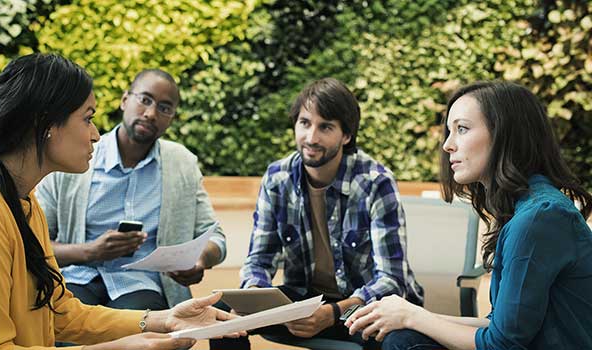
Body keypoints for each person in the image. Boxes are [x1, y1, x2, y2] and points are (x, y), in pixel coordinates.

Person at [0, 53, 239, 349]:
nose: (97, 134)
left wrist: (162, 319)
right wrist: (120, 346)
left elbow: (58, 310)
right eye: (87, 118)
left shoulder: (22, 203)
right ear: (46, 124)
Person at [345, 81, 592, 350]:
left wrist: (412, 315)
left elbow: (502, 344)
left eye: (462, 129)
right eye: (449, 132)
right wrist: (406, 316)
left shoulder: (539, 218)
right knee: (395, 333)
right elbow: (500, 326)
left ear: (505, 134)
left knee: (403, 342)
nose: (448, 145)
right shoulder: (526, 208)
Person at [211, 77, 424, 349]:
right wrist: (254, 298)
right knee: (220, 314)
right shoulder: (278, 178)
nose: (311, 138)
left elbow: (392, 281)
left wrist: (333, 313)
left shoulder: (375, 182)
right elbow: (259, 260)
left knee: (395, 339)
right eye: (305, 123)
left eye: (325, 127)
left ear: (346, 135)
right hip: (303, 302)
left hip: (360, 307)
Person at [35, 68, 226, 312]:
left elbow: (215, 238)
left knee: (141, 325)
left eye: (164, 108)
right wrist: (89, 251)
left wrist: (199, 260)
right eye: (144, 100)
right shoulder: (76, 157)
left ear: (172, 118)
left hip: (143, 284)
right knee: (67, 319)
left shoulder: (182, 164)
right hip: (77, 277)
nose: (150, 113)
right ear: (125, 100)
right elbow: (34, 243)